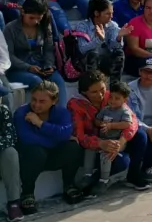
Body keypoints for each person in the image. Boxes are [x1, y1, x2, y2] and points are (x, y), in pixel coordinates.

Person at [68, 71, 149, 192]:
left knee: (141, 135)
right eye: (94, 92)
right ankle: (92, 180)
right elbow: (79, 136)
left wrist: (121, 142)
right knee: (122, 162)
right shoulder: (75, 105)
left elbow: (132, 121)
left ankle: (133, 175)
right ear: (84, 92)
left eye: (102, 89)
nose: (100, 95)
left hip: (115, 139)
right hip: (92, 147)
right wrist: (100, 143)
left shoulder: (111, 96)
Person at [15, 81, 84, 213]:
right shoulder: (21, 113)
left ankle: (69, 185)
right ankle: (27, 193)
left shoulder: (62, 113)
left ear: (54, 101)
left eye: (42, 101)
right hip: (32, 159)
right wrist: (57, 138)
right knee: (35, 151)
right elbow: (27, 139)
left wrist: (40, 124)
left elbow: (65, 133)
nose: (36, 104)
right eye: (34, 99)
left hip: (53, 156)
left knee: (73, 147)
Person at [4, 0, 67, 107]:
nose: (35, 21)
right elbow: (9, 55)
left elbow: (48, 49)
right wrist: (28, 67)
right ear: (23, 12)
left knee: (58, 80)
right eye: (31, 18)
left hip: (40, 66)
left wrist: (48, 65)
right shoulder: (10, 28)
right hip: (18, 69)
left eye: (39, 18)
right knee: (37, 82)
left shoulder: (44, 25)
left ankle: (61, 112)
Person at [81, 81, 134, 196]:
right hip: (102, 139)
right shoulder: (106, 109)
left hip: (115, 140)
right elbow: (97, 120)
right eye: (111, 97)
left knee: (107, 154)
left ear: (125, 100)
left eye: (117, 98)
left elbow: (127, 124)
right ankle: (88, 175)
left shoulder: (124, 111)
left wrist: (111, 126)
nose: (113, 101)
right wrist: (101, 123)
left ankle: (103, 180)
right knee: (89, 149)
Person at [74, 0, 130, 81]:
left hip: (105, 61)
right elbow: (82, 49)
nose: (111, 16)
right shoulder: (83, 26)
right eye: (107, 14)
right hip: (87, 62)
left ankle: (115, 84)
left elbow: (114, 47)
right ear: (96, 13)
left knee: (119, 53)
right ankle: (92, 83)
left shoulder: (112, 25)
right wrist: (99, 39)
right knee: (93, 54)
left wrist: (119, 37)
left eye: (112, 13)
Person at [0, 98, 22, 221]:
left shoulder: (3, 111)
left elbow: (11, 138)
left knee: (10, 153)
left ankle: (13, 203)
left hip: (1, 148)